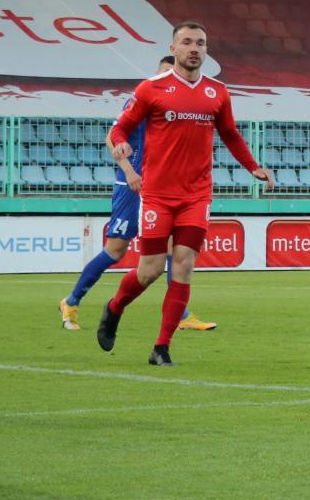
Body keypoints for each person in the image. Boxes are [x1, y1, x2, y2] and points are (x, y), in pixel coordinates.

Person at [96, 23, 269, 366]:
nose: (194, 48)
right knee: (150, 271)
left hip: (196, 195)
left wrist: (253, 166)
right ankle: (114, 308)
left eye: (201, 43)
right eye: (187, 42)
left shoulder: (218, 92)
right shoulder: (151, 89)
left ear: (206, 50)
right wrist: (122, 143)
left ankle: (162, 347)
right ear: (173, 48)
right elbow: (119, 127)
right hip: (158, 194)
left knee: (184, 265)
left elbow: (230, 134)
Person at [62, 57, 216, 334]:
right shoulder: (146, 95)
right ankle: (71, 302)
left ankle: (181, 314)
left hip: (158, 186)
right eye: (167, 72)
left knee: (172, 248)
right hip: (130, 185)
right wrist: (129, 172)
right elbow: (112, 136)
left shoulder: (179, 105)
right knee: (116, 250)